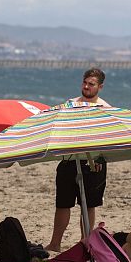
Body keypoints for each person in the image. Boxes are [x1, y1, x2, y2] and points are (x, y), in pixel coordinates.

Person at [45, 67, 110, 251]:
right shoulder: (71, 104)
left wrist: (100, 159)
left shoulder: (104, 108)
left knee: (88, 205)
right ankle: (55, 243)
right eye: (85, 82)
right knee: (62, 203)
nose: (87, 86)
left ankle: (86, 242)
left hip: (94, 161)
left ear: (100, 86)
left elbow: (108, 138)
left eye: (91, 84)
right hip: (69, 159)